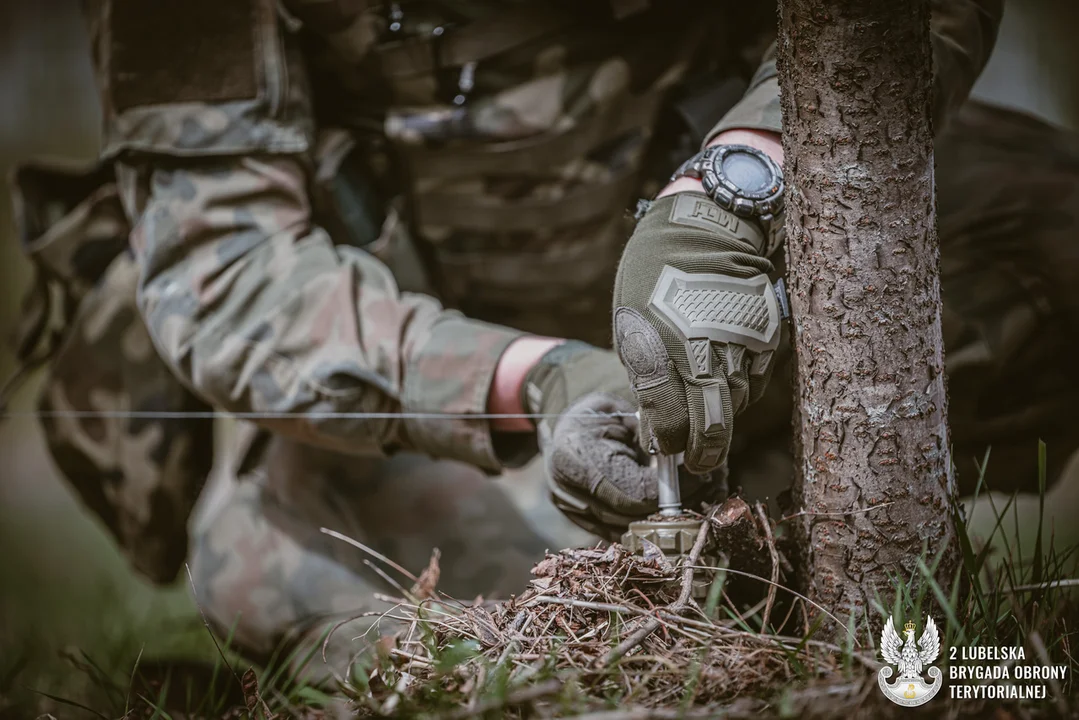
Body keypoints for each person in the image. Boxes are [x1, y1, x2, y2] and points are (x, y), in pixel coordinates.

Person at [6, 0, 1006, 673]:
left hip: (758, 262)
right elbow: (227, 276)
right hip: (449, 341)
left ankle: (787, 512)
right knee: (265, 570)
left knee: (1041, 247)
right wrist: (539, 382)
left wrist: (740, 181)